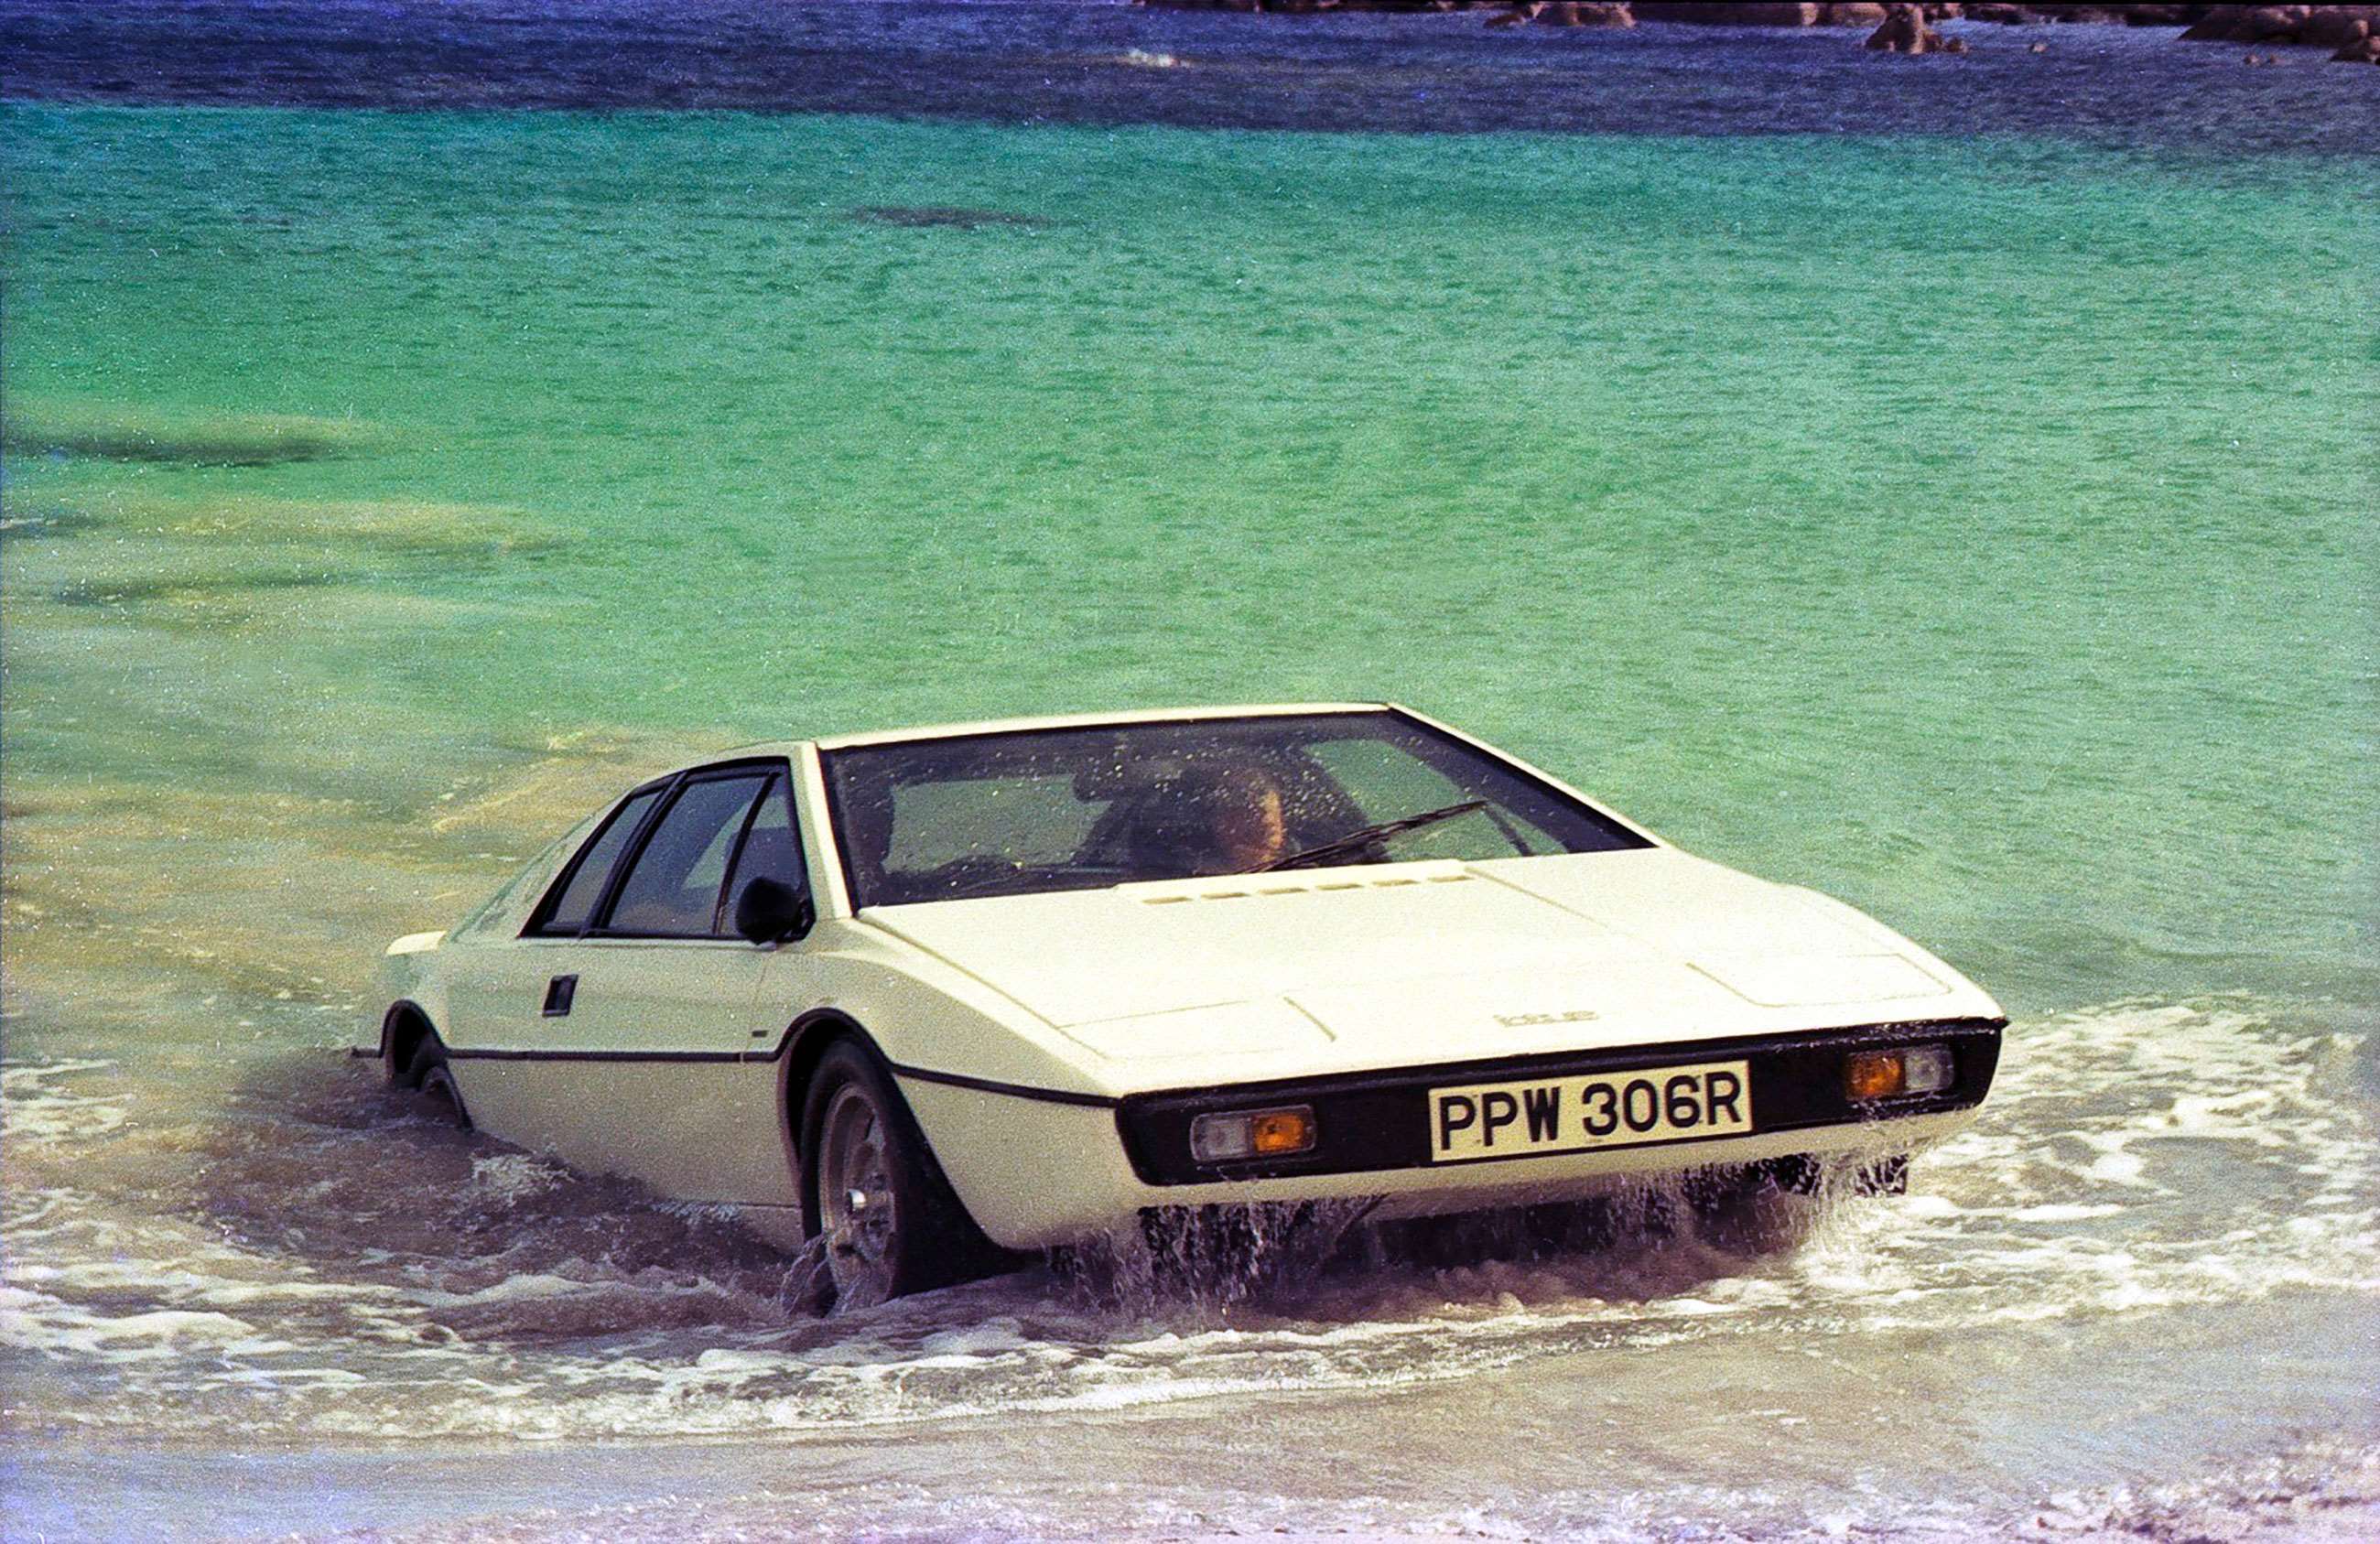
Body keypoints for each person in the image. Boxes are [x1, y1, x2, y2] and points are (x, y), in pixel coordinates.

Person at [1181, 761, 1290, 873]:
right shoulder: (1181, 873)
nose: (1260, 807)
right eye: (1240, 797)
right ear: (1216, 820)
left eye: (1262, 792)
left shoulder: (1305, 858)